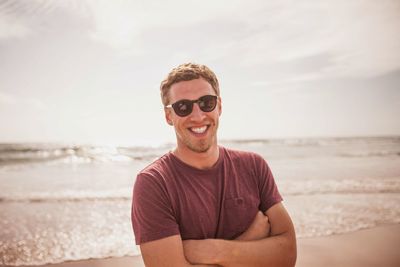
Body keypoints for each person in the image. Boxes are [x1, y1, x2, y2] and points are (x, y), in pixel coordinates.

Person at [131, 63, 296, 267]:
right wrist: (250, 238)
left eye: (206, 102)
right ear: (169, 116)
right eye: (183, 107)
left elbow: (287, 255)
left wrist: (213, 251)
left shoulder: (254, 166)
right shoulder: (154, 183)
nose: (198, 115)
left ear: (219, 106)